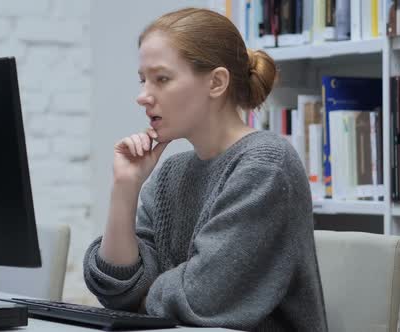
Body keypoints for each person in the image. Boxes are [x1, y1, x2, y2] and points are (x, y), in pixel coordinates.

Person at [83, 7, 328, 332]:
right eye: (143, 81)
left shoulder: (267, 165)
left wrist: (141, 300)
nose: (143, 96)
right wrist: (125, 188)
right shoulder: (172, 172)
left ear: (216, 82)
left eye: (162, 79)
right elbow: (116, 288)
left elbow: (202, 299)